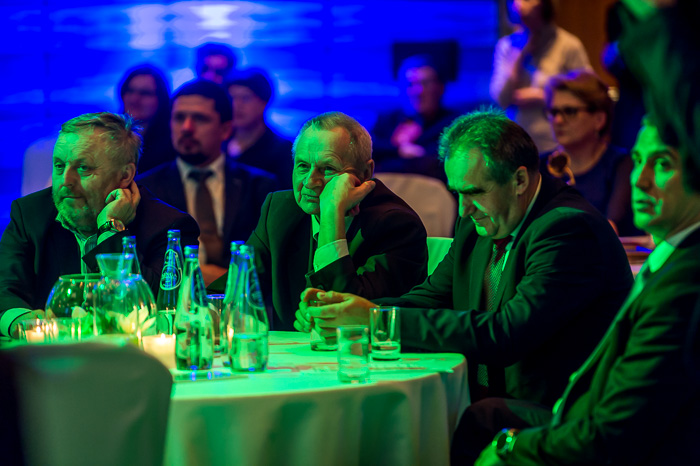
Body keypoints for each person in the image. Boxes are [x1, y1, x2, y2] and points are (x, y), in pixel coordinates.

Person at [296, 109, 633, 408]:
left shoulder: (568, 229)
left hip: (553, 417)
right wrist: (346, 313)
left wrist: (374, 320)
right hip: (484, 403)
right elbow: (430, 298)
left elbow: (506, 334)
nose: (463, 210)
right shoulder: (481, 219)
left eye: (474, 192)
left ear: (519, 180)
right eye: (457, 192)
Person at [473, 117, 700, 465]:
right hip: (585, 417)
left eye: (663, 164)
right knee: (481, 417)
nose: (639, 180)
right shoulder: (671, 259)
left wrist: (511, 446)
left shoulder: (683, 283)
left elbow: (613, 434)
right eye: (638, 160)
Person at [210, 112, 428, 331]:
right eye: (303, 166)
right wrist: (206, 313)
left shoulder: (397, 225)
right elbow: (233, 291)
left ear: (365, 172)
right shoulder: (280, 210)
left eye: (328, 169)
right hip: (291, 352)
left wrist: (331, 216)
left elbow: (349, 319)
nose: (310, 181)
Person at [0, 112, 200, 338]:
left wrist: (110, 229)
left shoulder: (170, 226)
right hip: (51, 355)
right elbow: (4, 289)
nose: (66, 181)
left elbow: (159, 308)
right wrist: (21, 321)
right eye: (59, 166)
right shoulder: (30, 214)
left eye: (84, 168)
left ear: (125, 175)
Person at [137, 80, 278, 285]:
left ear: (225, 129)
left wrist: (223, 279)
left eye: (200, 119)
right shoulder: (146, 188)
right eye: (179, 118)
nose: (186, 128)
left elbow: (271, 263)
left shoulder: (260, 187)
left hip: (241, 295)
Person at [541, 69, 639, 235]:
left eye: (570, 111)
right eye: (554, 112)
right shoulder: (538, 165)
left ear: (599, 119)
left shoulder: (622, 165)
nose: (558, 120)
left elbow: (610, 229)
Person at [490, 0, 591, 152]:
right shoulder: (506, 46)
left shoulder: (568, 45)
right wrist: (518, 57)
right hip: (516, 145)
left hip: (556, 145)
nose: (518, 5)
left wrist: (544, 97)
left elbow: (588, 94)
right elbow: (501, 99)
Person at [371, 54, 459, 182]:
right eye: (410, 84)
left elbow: (437, 163)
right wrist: (399, 150)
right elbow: (368, 151)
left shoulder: (453, 124)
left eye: (425, 83)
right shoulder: (387, 120)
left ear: (440, 88)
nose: (418, 91)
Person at [226, 68, 293, 189]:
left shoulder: (282, 150)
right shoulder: (218, 143)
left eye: (245, 98)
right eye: (232, 98)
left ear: (264, 102)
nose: (236, 105)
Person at [117, 64, 176, 173]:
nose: (134, 99)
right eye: (130, 91)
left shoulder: (173, 144)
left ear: (161, 99)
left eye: (145, 93)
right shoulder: (107, 136)